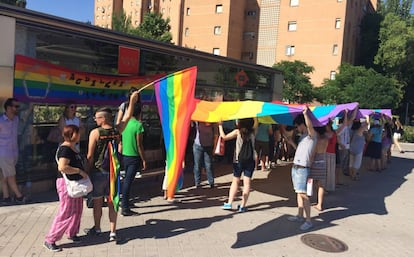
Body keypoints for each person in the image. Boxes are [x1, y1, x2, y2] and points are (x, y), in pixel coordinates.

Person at [85, 91, 139, 242]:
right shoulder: (117, 130)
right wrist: (133, 101)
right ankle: (113, 231)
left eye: (96, 117)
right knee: (112, 202)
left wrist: (87, 172)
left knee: (97, 202)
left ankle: (97, 228)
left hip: (98, 172)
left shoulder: (95, 133)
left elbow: (90, 156)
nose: (95, 119)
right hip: (113, 173)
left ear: (102, 119)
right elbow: (127, 117)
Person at [44, 125, 88, 252]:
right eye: (78, 133)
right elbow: (62, 167)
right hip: (66, 183)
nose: (80, 135)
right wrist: (80, 171)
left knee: (77, 209)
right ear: (72, 134)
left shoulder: (72, 148)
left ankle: (72, 232)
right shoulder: (65, 149)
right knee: (66, 211)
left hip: (75, 183)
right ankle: (50, 239)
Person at [286, 108, 317, 231]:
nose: (297, 129)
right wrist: (291, 142)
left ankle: (309, 220)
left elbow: (309, 126)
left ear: (302, 124)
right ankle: (300, 215)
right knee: (298, 192)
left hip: (303, 168)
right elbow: (300, 149)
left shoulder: (312, 135)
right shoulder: (303, 137)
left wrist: (305, 114)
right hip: (296, 167)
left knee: (303, 194)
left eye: (298, 126)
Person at [219, 118, 257, 212]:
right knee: (247, 183)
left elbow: (224, 137)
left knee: (235, 181)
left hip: (238, 160)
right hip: (250, 160)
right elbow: (256, 122)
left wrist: (220, 125)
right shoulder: (253, 133)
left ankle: (229, 203)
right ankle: (243, 206)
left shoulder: (237, 132)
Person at [120, 104, 146, 216]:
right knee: (128, 181)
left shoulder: (124, 125)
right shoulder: (138, 126)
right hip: (134, 156)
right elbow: (139, 144)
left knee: (127, 179)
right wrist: (144, 159)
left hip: (125, 155)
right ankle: (125, 207)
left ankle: (126, 202)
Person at [0, 98, 26, 205]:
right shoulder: (1, 121)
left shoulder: (16, 119)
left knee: (3, 175)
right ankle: (19, 196)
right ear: (8, 107)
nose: (17, 109)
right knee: (11, 175)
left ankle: (6, 197)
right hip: (4, 153)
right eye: (16, 106)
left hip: (14, 151)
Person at [309, 126, 328, 212]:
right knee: (321, 184)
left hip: (315, 162)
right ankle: (320, 204)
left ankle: (308, 200)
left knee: (309, 182)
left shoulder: (316, 140)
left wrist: (309, 162)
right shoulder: (326, 139)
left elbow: (313, 153)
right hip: (322, 162)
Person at [192, 121, 215, 188]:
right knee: (197, 165)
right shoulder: (198, 120)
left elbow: (216, 135)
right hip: (198, 146)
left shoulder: (213, 121)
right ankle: (197, 183)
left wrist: (215, 147)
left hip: (209, 146)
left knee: (209, 165)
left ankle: (211, 182)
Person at [325, 120, 337, 191]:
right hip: (332, 153)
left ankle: (326, 187)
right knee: (330, 171)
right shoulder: (334, 133)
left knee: (327, 172)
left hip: (328, 153)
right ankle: (329, 187)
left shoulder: (328, 134)